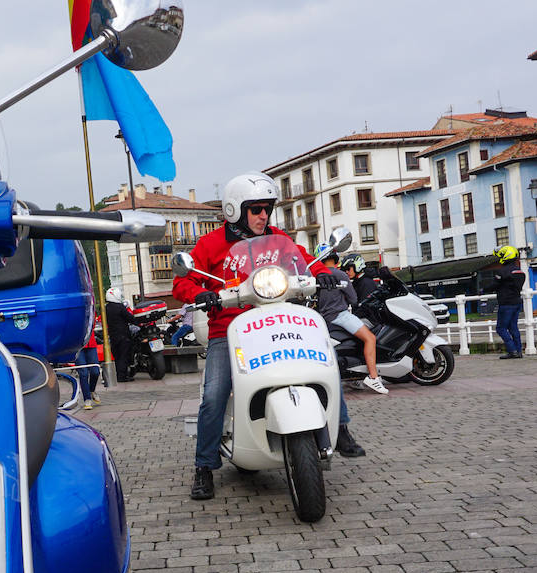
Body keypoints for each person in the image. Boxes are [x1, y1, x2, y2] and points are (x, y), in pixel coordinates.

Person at [173, 173, 366, 502]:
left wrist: (323, 274)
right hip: (230, 328)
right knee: (214, 394)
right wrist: (199, 293)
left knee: (324, 359)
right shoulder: (210, 244)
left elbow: (304, 261)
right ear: (235, 211)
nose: (264, 215)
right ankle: (204, 466)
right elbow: (182, 282)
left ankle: (341, 428)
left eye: (267, 209)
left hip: (277, 318)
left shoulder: (279, 239)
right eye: (256, 209)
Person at [311, 240, 388, 395]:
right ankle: (373, 377)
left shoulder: (316, 276)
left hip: (324, 318)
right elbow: (353, 299)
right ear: (334, 256)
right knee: (370, 338)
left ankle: (356, 378)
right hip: (341, 315)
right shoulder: (340, 275)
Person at [483, 245, 526, 358]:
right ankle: (518, 351)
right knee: (513, 327)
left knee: (501, 328)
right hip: (517, 302)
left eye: (501, 256)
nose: (500, 258)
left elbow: (494, 285)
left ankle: (512, 350)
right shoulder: (520, 272)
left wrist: (483, 290)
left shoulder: (502, 271)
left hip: (506, 303)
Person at [104, 288, 135, 382]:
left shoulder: (106, 308)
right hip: (123, 335)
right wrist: (137, 320)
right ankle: (122, 376)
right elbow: (129, 317)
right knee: (123, 356)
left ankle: (119, 375)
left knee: (117, 356)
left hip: (113, 335)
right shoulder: (119, 307)